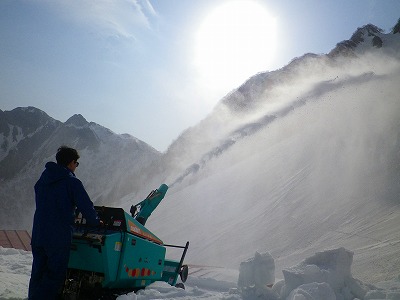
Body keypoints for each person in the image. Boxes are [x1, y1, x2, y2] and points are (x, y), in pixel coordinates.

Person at [28, 146, 100, 300]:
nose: (76, 167)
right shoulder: (71, 181)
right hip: (58, 237)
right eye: (76, 163)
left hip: (39, 235)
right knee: (54, 276)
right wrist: (96, 222)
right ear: (71, 163)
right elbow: (86, 206)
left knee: (37, 274)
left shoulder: (43, 180)